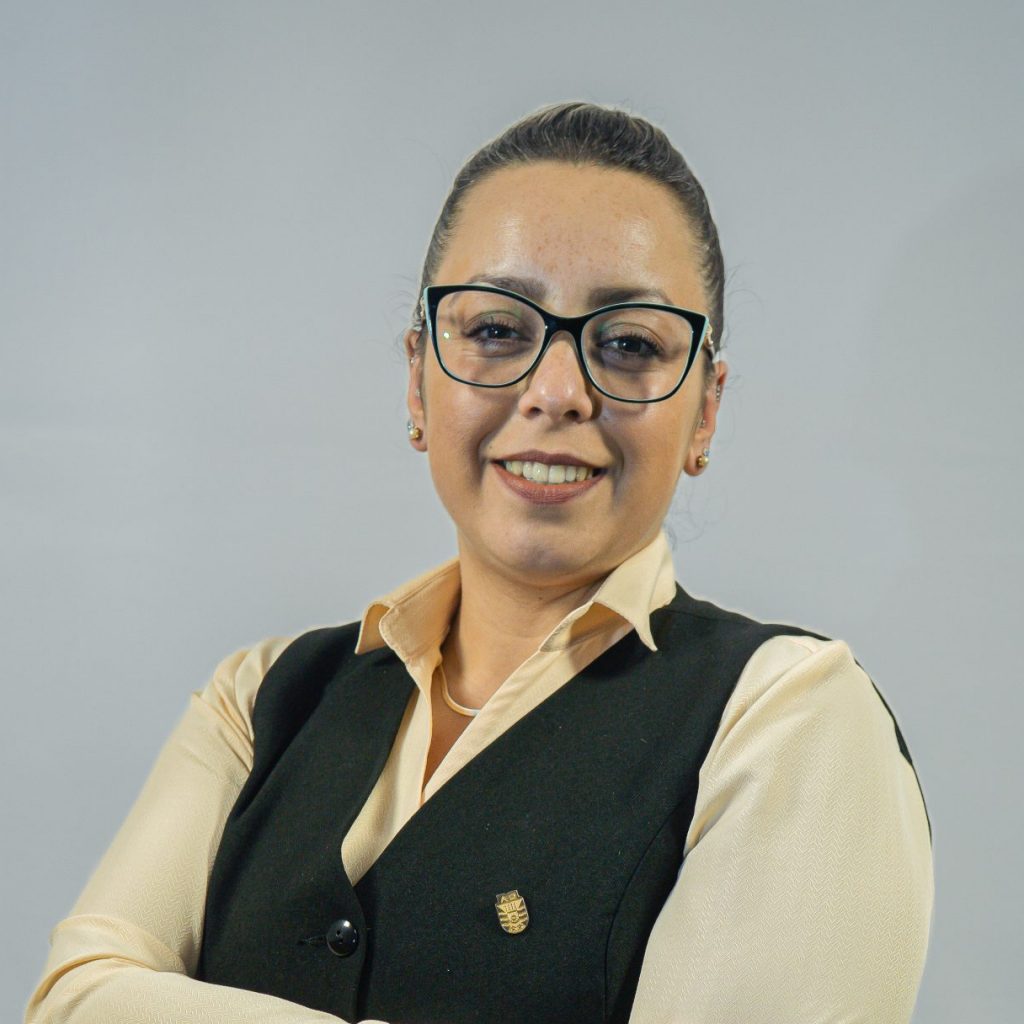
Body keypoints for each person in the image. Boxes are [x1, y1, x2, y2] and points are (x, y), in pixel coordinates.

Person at [24, 101, 934, 1024]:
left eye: (629, 344)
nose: (557, 392)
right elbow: (75, 1000)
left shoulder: (789, 719)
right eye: (497, 329)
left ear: (704, 411)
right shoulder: (260, 699)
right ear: (418, 379)